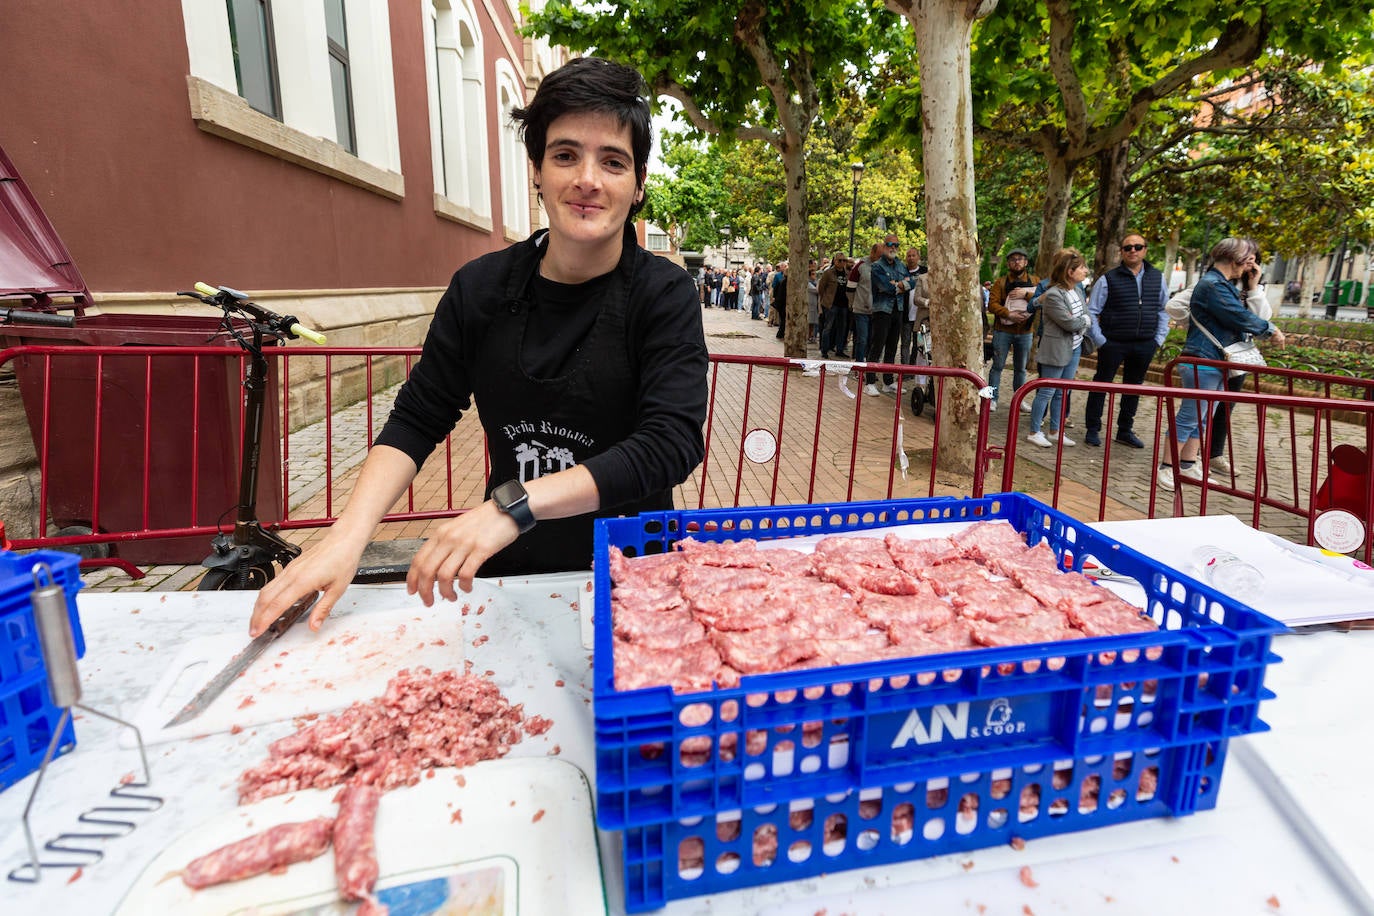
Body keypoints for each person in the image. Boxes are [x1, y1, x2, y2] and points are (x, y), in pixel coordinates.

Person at [249, 57, 709, 635]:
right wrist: (347, 537)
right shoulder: (481, 288)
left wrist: (511, 506)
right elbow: (420, 413)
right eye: (565, 155)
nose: (587, 179)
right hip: (509, 576)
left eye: (612, 161)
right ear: (537, 171)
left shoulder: (663, 293)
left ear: (638, 184)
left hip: (636, 576)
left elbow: (670, 442)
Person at [1156, 238, 1286, 490]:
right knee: (1189, 416)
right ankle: (1167, 468)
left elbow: (1245, 314)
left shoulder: (1222, 284)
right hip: (1202, 360)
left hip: (1216, 361)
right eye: (1248, 258)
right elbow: (1237, 315)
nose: (1250, 263)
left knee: (1203, 417)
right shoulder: (1213, 285)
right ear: (1235, 258)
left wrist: (1253, 286)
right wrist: (1270, 330)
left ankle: (1188, 464)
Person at [1082, 232, 1169, 448]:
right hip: (1113, 342)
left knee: (1134, 387)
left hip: (1145, 343)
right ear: (1121, 251)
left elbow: (1164, 309)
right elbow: (1092, 311)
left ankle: (1124, 430)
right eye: (1128, 247)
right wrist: (1101, 340)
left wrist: (1158, 338)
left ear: (1145, 250)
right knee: (1101, 384)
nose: (1132, 250)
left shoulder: (1157, 277)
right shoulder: (1108, 279)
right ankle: (1093, 429)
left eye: (1137, 247)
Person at [1026, 249, 1090, 448]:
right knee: (1047, 391)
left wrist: (1082, 320)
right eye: (1082, 268)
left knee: (1063, 391)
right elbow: (1069, 323)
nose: (1086, 271)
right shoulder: (1053, 294)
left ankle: (1055, 430)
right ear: (1069, 271)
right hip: (1056, 349)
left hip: (1075, 347)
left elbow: (1086, 315)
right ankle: (1034, 431)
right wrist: (1083, 321)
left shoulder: (1077, 290)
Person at [986, 249, 1039, 412]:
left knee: (1021, 368)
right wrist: (1009, 314)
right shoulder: (1000, 282)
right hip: (1002, 330)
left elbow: (1043, 300)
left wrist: (1025, 295)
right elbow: (992, 304)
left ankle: (1019, 400)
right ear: (1008, 263)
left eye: (1020, 259)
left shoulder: (1036, 281)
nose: (1017, 262)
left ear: (1026, 262)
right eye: (1013, 259)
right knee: (997, 366)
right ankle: (991, 398)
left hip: (1025, 331)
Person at [868, 234, 912, 393]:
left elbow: (912, 281)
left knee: (893, 347)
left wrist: (899, 284)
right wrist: (901, 285)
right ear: (884, 246)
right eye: (890, 244)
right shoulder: (877, 266)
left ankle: (888, 381)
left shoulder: (900, 265)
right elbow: (884, 286)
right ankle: (870, 382)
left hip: (897, 309)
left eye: (896, 245)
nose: (893, 247)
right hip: (882, 310)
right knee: (877, 345)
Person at [847, 243, 884, 394]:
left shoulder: (882, 267)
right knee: (862, 339)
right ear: (873, 253)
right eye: (879, 255)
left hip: (876, 311)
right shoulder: (860, 266)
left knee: (872, 341)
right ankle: (859, 367)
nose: (881, 258)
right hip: (861, 309)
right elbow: (850, 288)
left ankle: (870, 370)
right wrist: (854, 304)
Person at [900, 248, 929, 365]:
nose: (911, 258)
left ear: (918, 257)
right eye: (909, 256)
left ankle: (913, 367)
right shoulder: (902, 271)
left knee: (918, 344)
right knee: (905, 343)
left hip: (920, 315)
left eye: (913, 255)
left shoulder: (924, 272)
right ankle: (904, 368)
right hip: (905, 314)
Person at [817, 252, 849, 358]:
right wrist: (824, 300)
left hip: (844, 305)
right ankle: (824, 350)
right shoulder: (828, 273)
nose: (842, 262)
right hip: (831, 305)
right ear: (834, 261)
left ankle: (839, 349)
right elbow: (821, 288)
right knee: (828, 327)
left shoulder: (847, 273)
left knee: (842, 328)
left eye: (844, 260)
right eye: (839, 260)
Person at [806, 266, 819, 344]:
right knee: (809, 322)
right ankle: (809, 336)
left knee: (812, 323)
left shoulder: (814, 282)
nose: (815, 276)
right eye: (813, 274)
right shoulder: (808, 283)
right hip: (810, 305)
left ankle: (811, 336)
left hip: (814, 305)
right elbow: (816, 290)